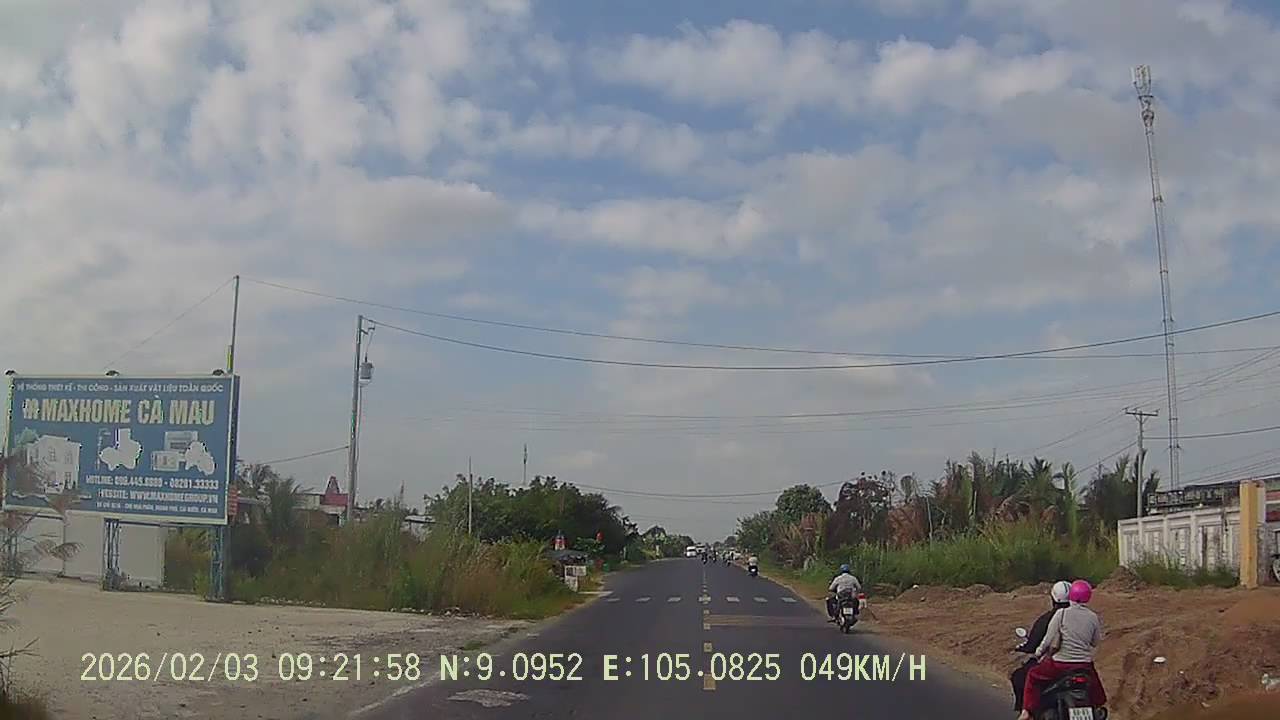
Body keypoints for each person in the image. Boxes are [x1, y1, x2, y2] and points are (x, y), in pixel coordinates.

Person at [1019, 580, 1107, 719]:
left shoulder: (1061, 614)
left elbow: (1048, 639)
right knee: (1097, 695)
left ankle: (1026, 712)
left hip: (1060, 665)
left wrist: (1038, 653)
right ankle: (1097, 710)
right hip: (1084, 666)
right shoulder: (1093, 617)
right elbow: (1095, 642)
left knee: (1032, 675)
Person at [1009, 581, 1071, 711]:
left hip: (1055, 663)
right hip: (1082, 663)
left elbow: (1044, 643)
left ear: (1053, 598)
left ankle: (1027, 711)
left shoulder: (1052, 618)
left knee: (1021, 678)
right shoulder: (1086, 617)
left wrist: (1035, 651)